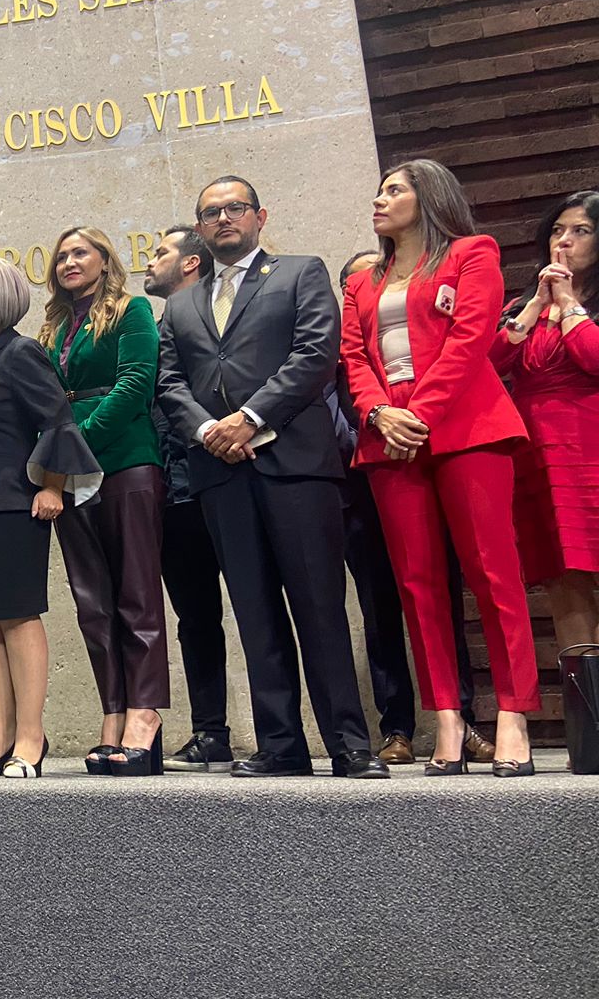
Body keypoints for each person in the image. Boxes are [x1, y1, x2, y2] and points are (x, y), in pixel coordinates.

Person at [158, 177, 387, 779]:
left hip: (296, 467)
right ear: (199, 229)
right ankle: (280, 744)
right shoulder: (179, 305)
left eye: (235, 208)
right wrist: (209, 431)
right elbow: (169, 382)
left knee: (319, 606)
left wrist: (250, 418)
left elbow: (314, 355)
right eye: (210, 213)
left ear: (261, 215)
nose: (223, 218)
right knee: (254, 611)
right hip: (220, 471)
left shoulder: (300, 273)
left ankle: (347, 744)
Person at [342, 159, 539, 777]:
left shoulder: (471, 253)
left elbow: (470, 337)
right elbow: (352, 356)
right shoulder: (363, 280)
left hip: (465, 430)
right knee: (417, 584)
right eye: (378, 190)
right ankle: (447, 718)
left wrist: (416, 415)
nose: (379, 199)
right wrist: (379, 415)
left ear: (429, 197)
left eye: (394, 190)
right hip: (389, 439)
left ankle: (513, 714)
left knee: (492, 572)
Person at [0, 259, 100, 779]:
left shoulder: (20, 352)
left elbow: (56, 420)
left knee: (19, 615)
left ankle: (31, 737)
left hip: (14, 502)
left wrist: (53, 485)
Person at [337, 251, 492, 766]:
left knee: (442, 595)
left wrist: (405, 423)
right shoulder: (344, 352)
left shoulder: (409, 346)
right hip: (359, 488)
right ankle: (397, 727)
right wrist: (376, 421)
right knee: (380, 609)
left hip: (418, 462)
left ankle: (461, 718)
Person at [43, 226, 169, 775]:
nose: (70, 261)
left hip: (125, 460)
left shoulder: (132, 310)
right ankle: (112, 713)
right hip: (70, 473)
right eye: (62, 255)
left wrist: (77, 444)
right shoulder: (52, 328)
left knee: (137, 597)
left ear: (103, 260)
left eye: (80, 252)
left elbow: (136, 382)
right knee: (92, 604)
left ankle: (145, 714)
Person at [493, 190, 599, 655]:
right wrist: (537, 302)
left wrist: (570, 301)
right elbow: (493, 360)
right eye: (557, 230)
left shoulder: (585, 303)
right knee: (563, 581)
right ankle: (589, 719)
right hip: (539, 458)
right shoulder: (527, 304)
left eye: (581, 231)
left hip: (590, 446)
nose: (565, 241)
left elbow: (593, 357)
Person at [144, 227, 233, 771]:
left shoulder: (217, 320)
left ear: (192, 263)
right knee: (195, 616)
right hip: (175, 494)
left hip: (226, 477)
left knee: (260, 605)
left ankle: (283, 728)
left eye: (161, 253)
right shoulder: (151, 329)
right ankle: (210, 732)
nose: (150, 263)